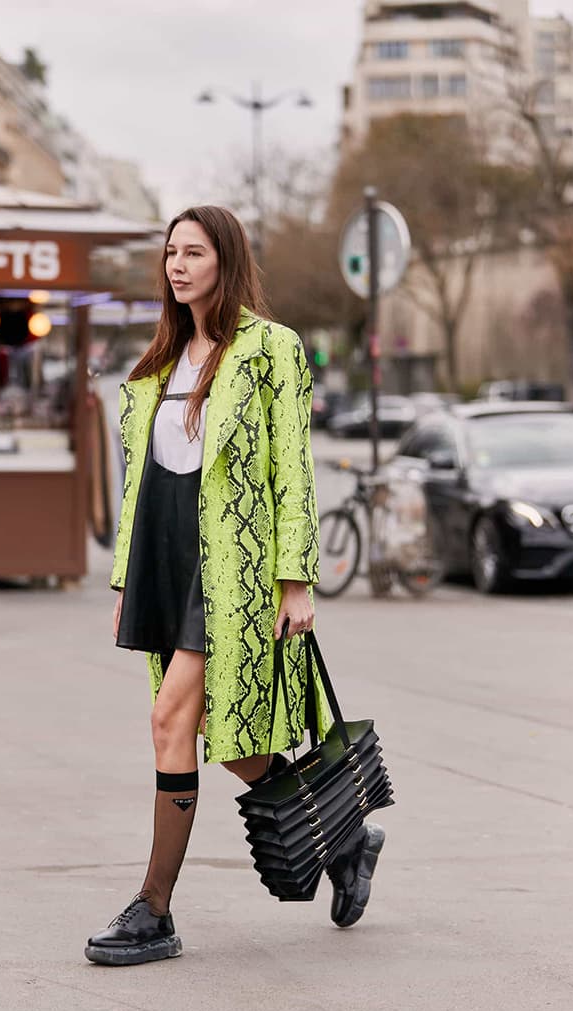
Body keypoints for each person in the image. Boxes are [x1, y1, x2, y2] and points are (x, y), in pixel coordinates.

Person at [85, 206, 385, 966]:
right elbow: (138, 485)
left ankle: (154, 910)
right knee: (224, 740)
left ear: (225, 259)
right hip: (167, 559)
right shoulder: (159, 362)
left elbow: (295, 468)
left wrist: (296, 579)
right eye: (169, 252)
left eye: (193, 252)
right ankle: (346, 840)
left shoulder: (269, 350)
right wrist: (128, 575)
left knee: (168, 722)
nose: (176, 265)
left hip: (237, 566)